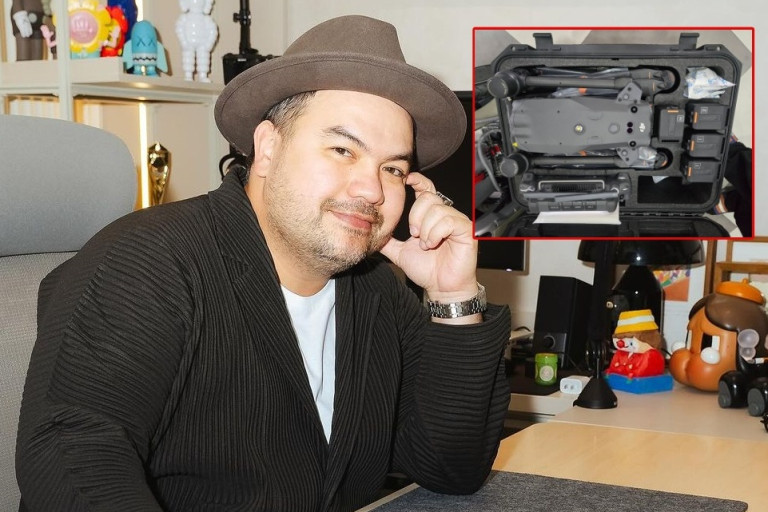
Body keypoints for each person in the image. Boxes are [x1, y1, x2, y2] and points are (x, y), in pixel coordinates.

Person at [16, 15, 511, 512]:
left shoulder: (374, 289)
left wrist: (453, 297)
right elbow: (74, 459)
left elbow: (450, 470)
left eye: (393, 169)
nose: (372, 190)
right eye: (342, 149)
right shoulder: (146, 264)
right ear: (268, 148)